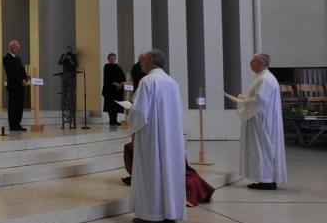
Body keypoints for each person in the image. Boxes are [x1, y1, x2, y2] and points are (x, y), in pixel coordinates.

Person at [129, 49, 186, 223]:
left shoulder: (147, 81)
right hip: (171, 137)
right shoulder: (172, 82)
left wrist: (130, 117)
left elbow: (139, 112)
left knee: (151, 172)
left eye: (143, 60)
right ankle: (170, 212)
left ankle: (151, 214)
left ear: (152, 61)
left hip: (151, 136)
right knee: (169, 172)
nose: (141, 63)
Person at [228, 53, 287, 190]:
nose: (250, 63)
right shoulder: (262, 78)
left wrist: (241, 102)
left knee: (263, 149)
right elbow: (257, 98)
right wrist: (243, 98)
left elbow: (260, 100)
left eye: (253, 61)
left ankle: (267, 180)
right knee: (260, 149)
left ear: (261, 63)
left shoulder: (265, 79)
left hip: (262, 121)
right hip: (261, 119)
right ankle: (263, 179)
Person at [122, 140, 215, 206]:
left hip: (169, 171)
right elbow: (131, 168)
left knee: (191, 177)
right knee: (184, 181)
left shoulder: (169, 143)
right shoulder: (130, 147)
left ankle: (198, 195)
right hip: (151, 175)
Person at [3, 39, 28, 131]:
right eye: (17, 47)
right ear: (11, 47)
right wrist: (20, 80)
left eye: (18, 47)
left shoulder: (18, 58)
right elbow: (10, 73)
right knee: (13, 106)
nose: (18, 48)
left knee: (19, 106)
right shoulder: (6, 58)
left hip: (20, 87)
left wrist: (25, 79)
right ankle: (13, 125)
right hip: (13, 86)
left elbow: (22, 71)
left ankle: (17, 123)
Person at [102, 53, 126, 126]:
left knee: (116, 105)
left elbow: (123, 77)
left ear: (115, 59)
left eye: (113, 58)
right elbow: (107, 78)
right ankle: (111, 120)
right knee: (110, 105)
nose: (112, 59)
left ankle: (115, 120)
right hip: (110, 90)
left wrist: (121, 83)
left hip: (117, 90)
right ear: (108, 59)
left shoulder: (118, 67)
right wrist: (114, 83)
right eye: (111, 58)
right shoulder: (107, 66)